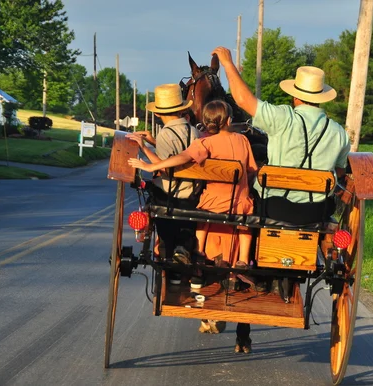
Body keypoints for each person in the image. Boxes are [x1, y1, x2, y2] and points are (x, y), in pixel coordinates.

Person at [128, 100, 257, 353]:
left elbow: (181, 158)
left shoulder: (204, 143)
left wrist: (151, 164)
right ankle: (240, 263)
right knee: (248, 213)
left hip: (212, 207)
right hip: (240, 205)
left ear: (206, 122)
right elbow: (251, 171)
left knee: (200, 214)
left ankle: (197, 256)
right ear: (229, 120)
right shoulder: (243, 141)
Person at [211, 47, 351, 224]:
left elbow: (242, 100)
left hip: (274, 208)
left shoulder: (283, 117)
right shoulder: (340, 133)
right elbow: (338, 171)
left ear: (295, 96)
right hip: (316, 211)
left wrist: (228, 63)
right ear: (320, 98)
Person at [126, 83, 200, 273]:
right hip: (192, 194)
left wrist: (143, 148)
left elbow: (166, 170)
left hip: (171, 194)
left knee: (151, 188)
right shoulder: (194, 131)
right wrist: (153, 142)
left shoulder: (167, 134)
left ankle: (168, 254)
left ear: (158, 114)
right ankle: (184, 248)